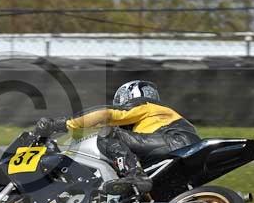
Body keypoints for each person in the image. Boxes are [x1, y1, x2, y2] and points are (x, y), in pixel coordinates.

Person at [34, 80, 201, 193]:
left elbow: (106, 114)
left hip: (172, 141)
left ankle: (135, 176)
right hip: (184, 149)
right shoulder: (160, 115)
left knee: (108, 133)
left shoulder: (144, 105)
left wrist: (62, 124)